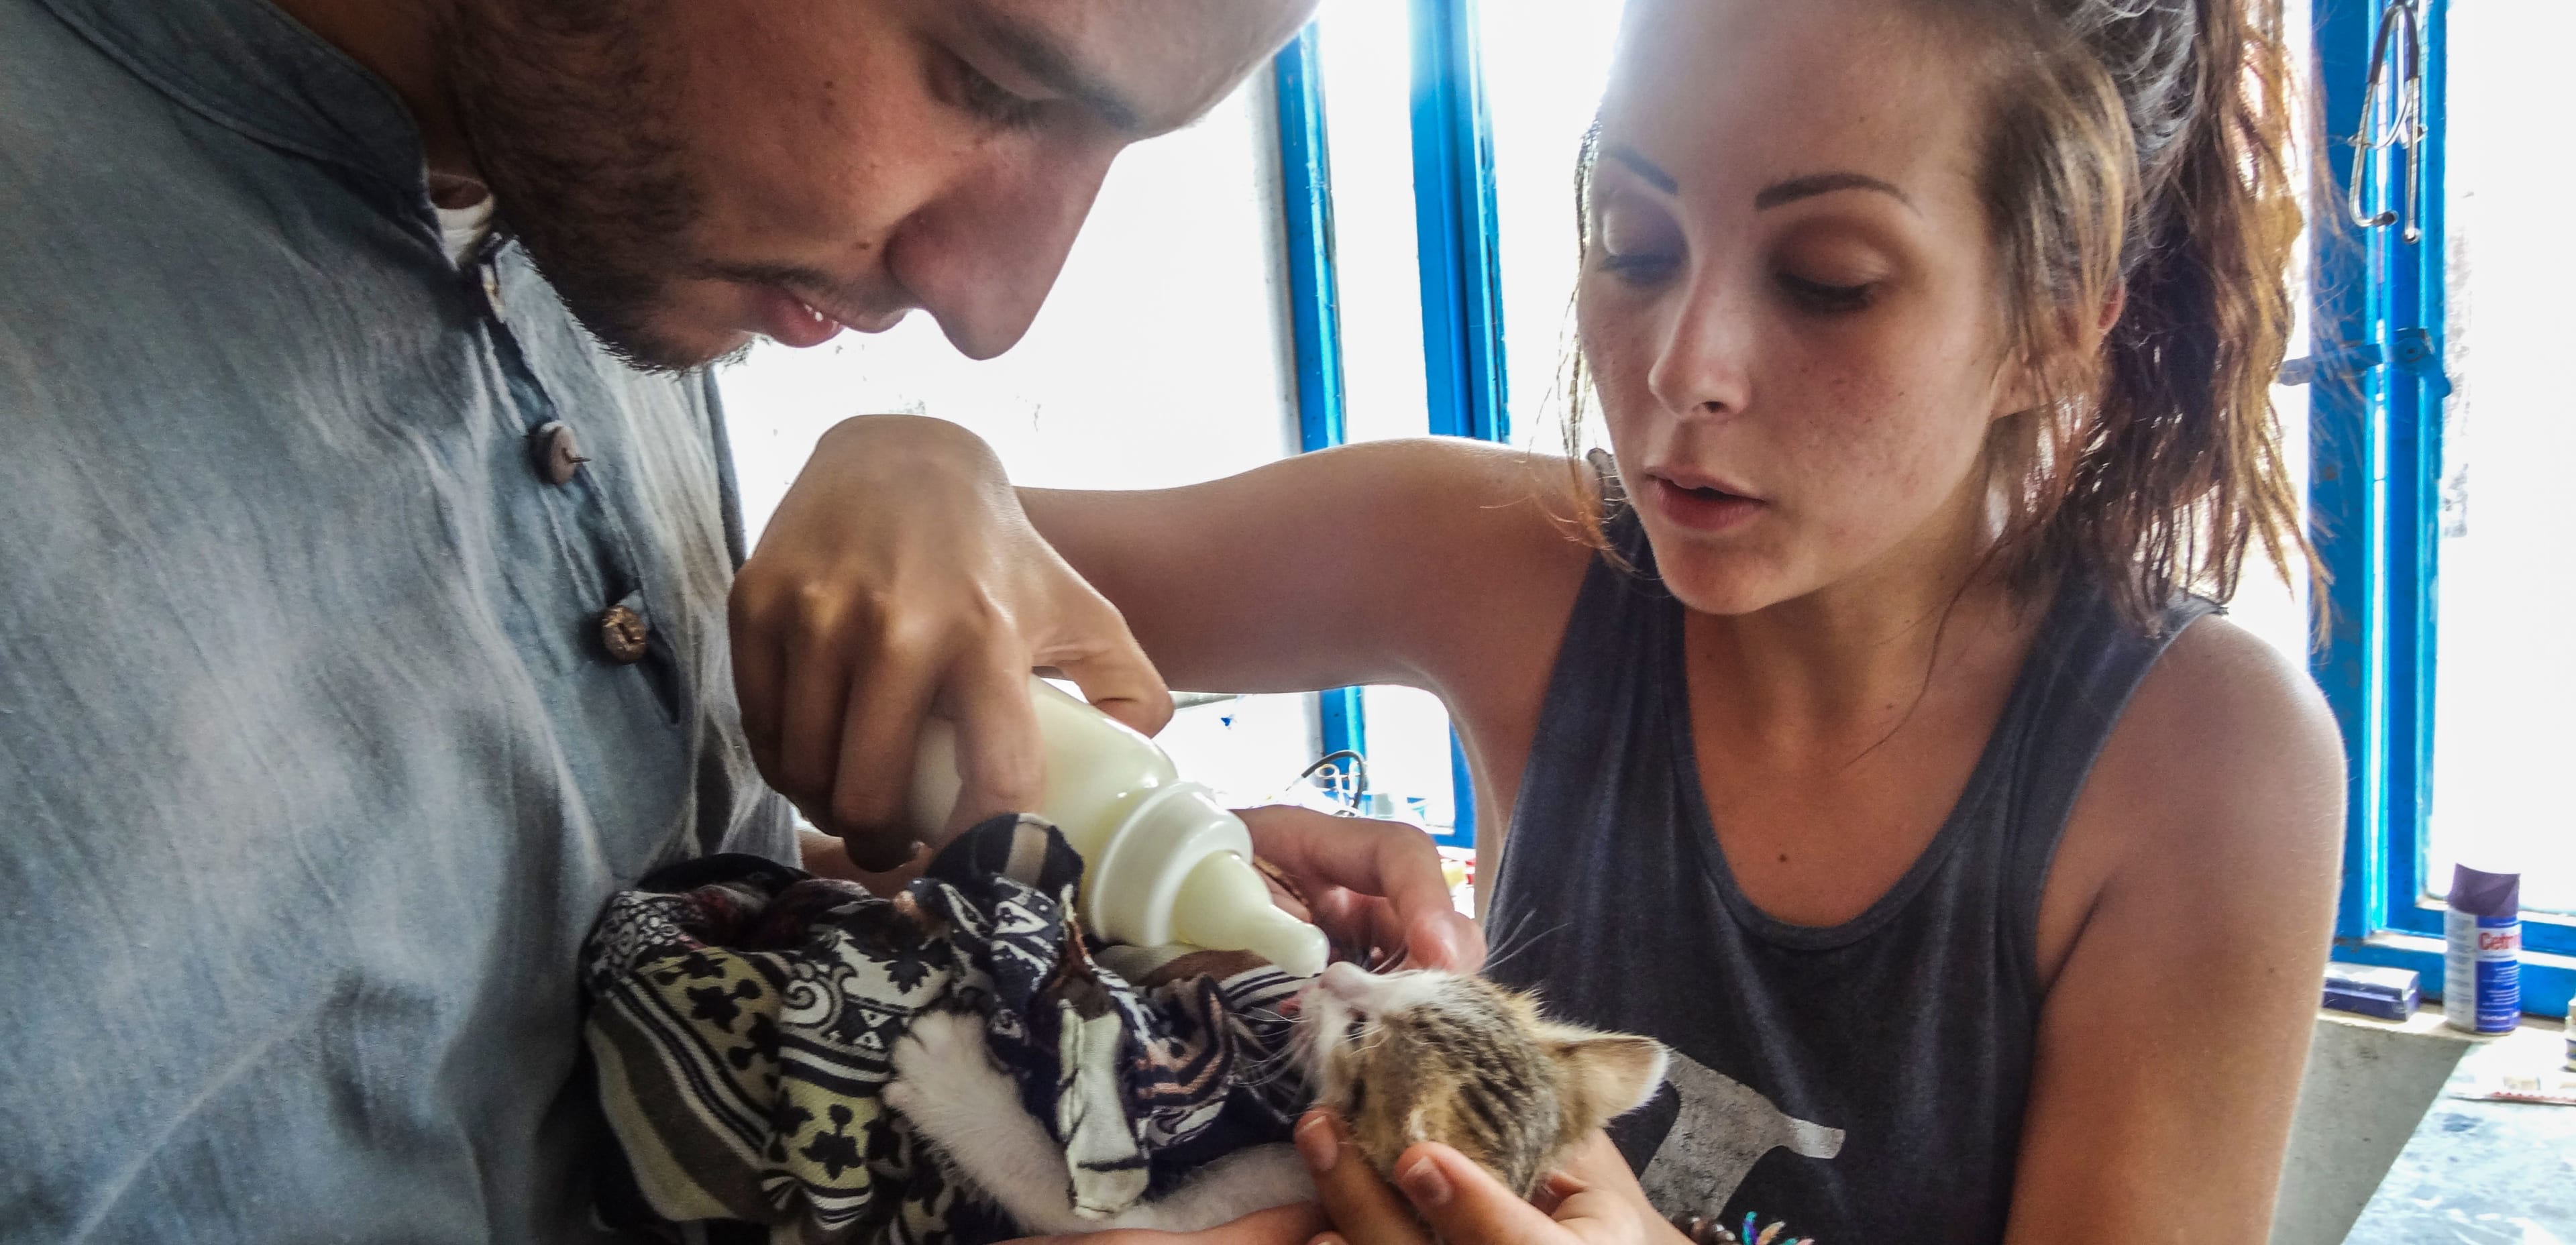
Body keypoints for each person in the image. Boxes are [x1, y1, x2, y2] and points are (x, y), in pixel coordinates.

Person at [734, 0, 2348, 1240]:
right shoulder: (1513, 561)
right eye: (1632, 242)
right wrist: (909, 462)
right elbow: (945, 585)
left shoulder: (2196, 764)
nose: (1682, 365)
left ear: (2056, 326)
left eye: (1830, 278)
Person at [0, 1, 1474, 1240]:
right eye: (983, 78)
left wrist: (1087, 933)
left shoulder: (586, 202)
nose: (994, 308)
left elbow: (550, 985)